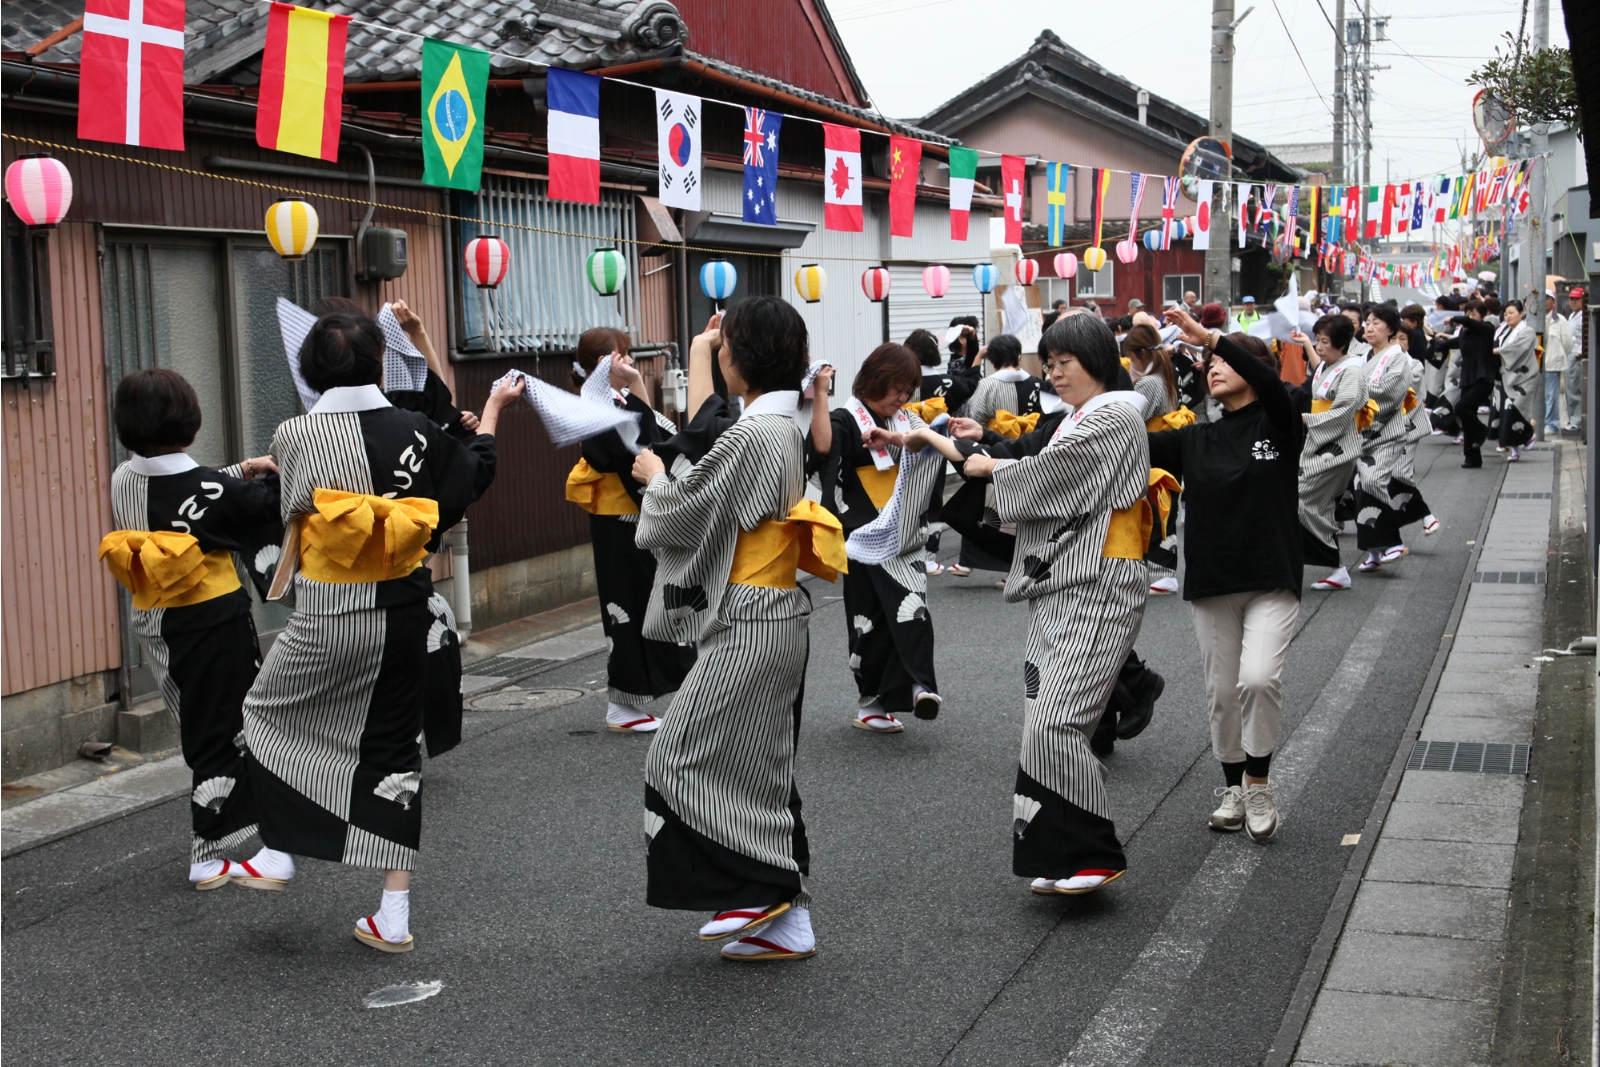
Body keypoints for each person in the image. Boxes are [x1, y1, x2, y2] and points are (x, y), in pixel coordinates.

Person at [242, 311, 515, 953]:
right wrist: (493, 416)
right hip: (404, 610)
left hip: (329, 613)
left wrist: (269, 469)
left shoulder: (295, 434)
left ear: (310, 370)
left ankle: (280, 849)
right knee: (394, 751)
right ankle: (393, 914)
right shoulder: (416, 428)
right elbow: (471, 474)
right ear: (380, 363)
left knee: (266, 713)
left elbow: (297, 508)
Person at [907, 313, 1149, 894]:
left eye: (1066, 362)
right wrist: (987, 457)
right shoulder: (1083, 416)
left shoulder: (1115, 414)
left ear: (1097, 359)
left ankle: (1091, 854)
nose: (1056, 373)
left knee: (1057, 718)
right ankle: (1061, 854)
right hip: (1067, 576)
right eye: (1052, 363)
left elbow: (1051, 475)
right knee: (1043, 718)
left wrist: (994, 466)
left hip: (1098, 579)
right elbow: (1040, 464)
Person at [631, 296, 840, 962]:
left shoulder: (756, 432)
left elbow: (685, 511)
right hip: (772, 610)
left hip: (751, 616)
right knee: (758, 766)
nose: (720, 358)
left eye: (724, 349)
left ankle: (757, 883)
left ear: (743, 358)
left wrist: (656, 477)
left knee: (677, 756)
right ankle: (788, 920)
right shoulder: (781, 425)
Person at [100, 368, 288, 891]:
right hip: (210, 624)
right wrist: (279, 473)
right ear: (189, 419)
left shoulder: (123, 478)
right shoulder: (217, 491)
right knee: (222, 730)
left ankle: (253, 829)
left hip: (156, 622)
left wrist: (243, 468)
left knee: (204, 725)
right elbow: (252, 503)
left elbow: (189, 492)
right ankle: (209, 850)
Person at [1150, 308, 1303, 842]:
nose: (1212, 367)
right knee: (1222, 693)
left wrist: (1212, 338)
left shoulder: (1280, 421)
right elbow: (1123, 444)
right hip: (1213, 583)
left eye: (1223, 361)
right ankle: (1233, 787)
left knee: (1258, 679)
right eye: (1208, 364)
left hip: (1271, 578)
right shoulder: (1195, 438)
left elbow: (1272, 384)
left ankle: (1258, 784)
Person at [565, 327, 696, 733]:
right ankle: (623, 704)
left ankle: (641, 697)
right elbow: (641, 451)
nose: (629, 361)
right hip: (620, 523)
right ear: (603, 362)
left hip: (636, 516)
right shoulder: (595, 405)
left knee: (652, 603)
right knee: (626, 606)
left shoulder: (616, 399)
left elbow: (659, 435)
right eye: (621, 355)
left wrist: (637, 381)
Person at [808, 345, 943, 732]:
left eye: (908, 390)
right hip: (863, 534)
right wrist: (820, 394)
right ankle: (872, 703)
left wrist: (899, 438)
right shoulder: (844, 418)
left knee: (911, 606)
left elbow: (932, 445)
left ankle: (918, 684)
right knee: (867, 618)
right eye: (897, 389)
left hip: (903, 531)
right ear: (874, 380)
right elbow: (822, 450)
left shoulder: (906, 420)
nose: (903, 397)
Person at [1353, 304, 1438, 572]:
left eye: (1376, 323)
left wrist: (1353, 389)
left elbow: (1389, 394)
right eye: (1367, 322)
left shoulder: (1399, 359)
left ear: (1390, 329)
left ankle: (1393, 542)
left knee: (1374, 480)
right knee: (1360, 486)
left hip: (1388, 432)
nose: (1369, 327)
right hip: (1362, 433)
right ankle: (1374, 551)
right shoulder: (1364, 355)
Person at [1292, 316, 1367, 591]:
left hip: (1337, 447)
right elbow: (1319, 378)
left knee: (1300, 498)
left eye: (1325, 341)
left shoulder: (1352, 370)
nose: (1319, 346)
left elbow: (1343, 411)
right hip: (1320, 442)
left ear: (1342, 343)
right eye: (1318, 340)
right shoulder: (1329, 365)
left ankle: (1313, 561)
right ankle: (1336, 569)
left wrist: (1305, 419)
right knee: (1316, 506)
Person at [1123, 324, 1184, 595]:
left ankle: (1162, 572)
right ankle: (1163, 570)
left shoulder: (1148, 382)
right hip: (1170, 448)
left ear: (1141, 354)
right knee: (1166, 508)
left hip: (1153, 450)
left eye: (1131, 355)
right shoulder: (1169, 372)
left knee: (1154, 509)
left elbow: (1133, 418)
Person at [1489, 300, 1536, 459]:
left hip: (1524, 377)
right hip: (1507, 376)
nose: (1508, 316)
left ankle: (1528, 435)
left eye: (1511, 313)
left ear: (1521, 313)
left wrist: (1496, 351)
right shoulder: (1505, 331)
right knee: (1505, 412)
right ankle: (1514, 448)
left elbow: (1516, 349)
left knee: (1515, 411)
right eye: (1505, 313)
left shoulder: (1527, 331)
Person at [1541, 290, 1574, 435]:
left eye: (1548, 298)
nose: (1545, 301)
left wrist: (1558, 354)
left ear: (1553, 302)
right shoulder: (1533, 318)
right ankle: (1540, 422)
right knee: (1539, 396)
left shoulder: (1560, 320)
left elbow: (1568, 343)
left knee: (1551, 395)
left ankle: (1552, 424)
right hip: (1537, 363)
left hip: (1552, 362)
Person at [1565, 288, 1588, 431]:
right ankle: (1573, 418)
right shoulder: (1572, 315)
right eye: (1572, 299)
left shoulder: (1584, 316)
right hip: (1569, 354)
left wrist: (1580, 351)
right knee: (1570, 389)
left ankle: (1577, 420)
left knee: (1576, 389)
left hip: (1577, 355)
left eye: (1577, 299)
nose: (1573, 302)